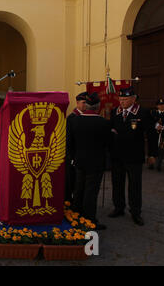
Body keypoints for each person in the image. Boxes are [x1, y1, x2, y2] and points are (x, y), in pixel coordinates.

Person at [108, 87, 152, 226]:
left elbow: (151, 134)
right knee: (117, 183)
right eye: (120, 99)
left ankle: (135, 212)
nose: (122, 101)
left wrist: (152, 154)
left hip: (134, 157)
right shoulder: (115, 112)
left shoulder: (142, 112)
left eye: (125, 99)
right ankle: (119, 207)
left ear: (133, 99)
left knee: (134, 185)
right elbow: (111, 131)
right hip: (117, 156)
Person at [67, 92, 109, 230]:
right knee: (90, 192)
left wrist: (73, 158)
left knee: (79, 189)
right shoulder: (103, 123)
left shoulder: (75, 121)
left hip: (79, 161)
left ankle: (76, 215)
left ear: (87, 106)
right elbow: (107, 144)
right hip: (96, 163)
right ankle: (89, 220)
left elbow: (70, 143)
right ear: (98, 107)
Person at [65, 92, 88, 202]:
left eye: (87, 103)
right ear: (77, 103)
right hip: (74, 155)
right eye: (83, 103)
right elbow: (68, 140)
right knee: (72, 181)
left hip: (84, 155)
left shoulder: (87, 116)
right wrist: (71, 157)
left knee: (82, 182)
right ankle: (71, 202)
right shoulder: (72, 118)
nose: (85, 105)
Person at [148, 99, 164, 172]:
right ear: (157, 106)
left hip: (162, 136)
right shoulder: (153, 113)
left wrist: (163, 127)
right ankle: (151, 164)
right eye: (160, 105)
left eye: (163, 105)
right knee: (152, 148)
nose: (161, 106)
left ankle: (159, 165)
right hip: (153, 134)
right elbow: (149, 122)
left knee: (161, 149)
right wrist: (156, 125)